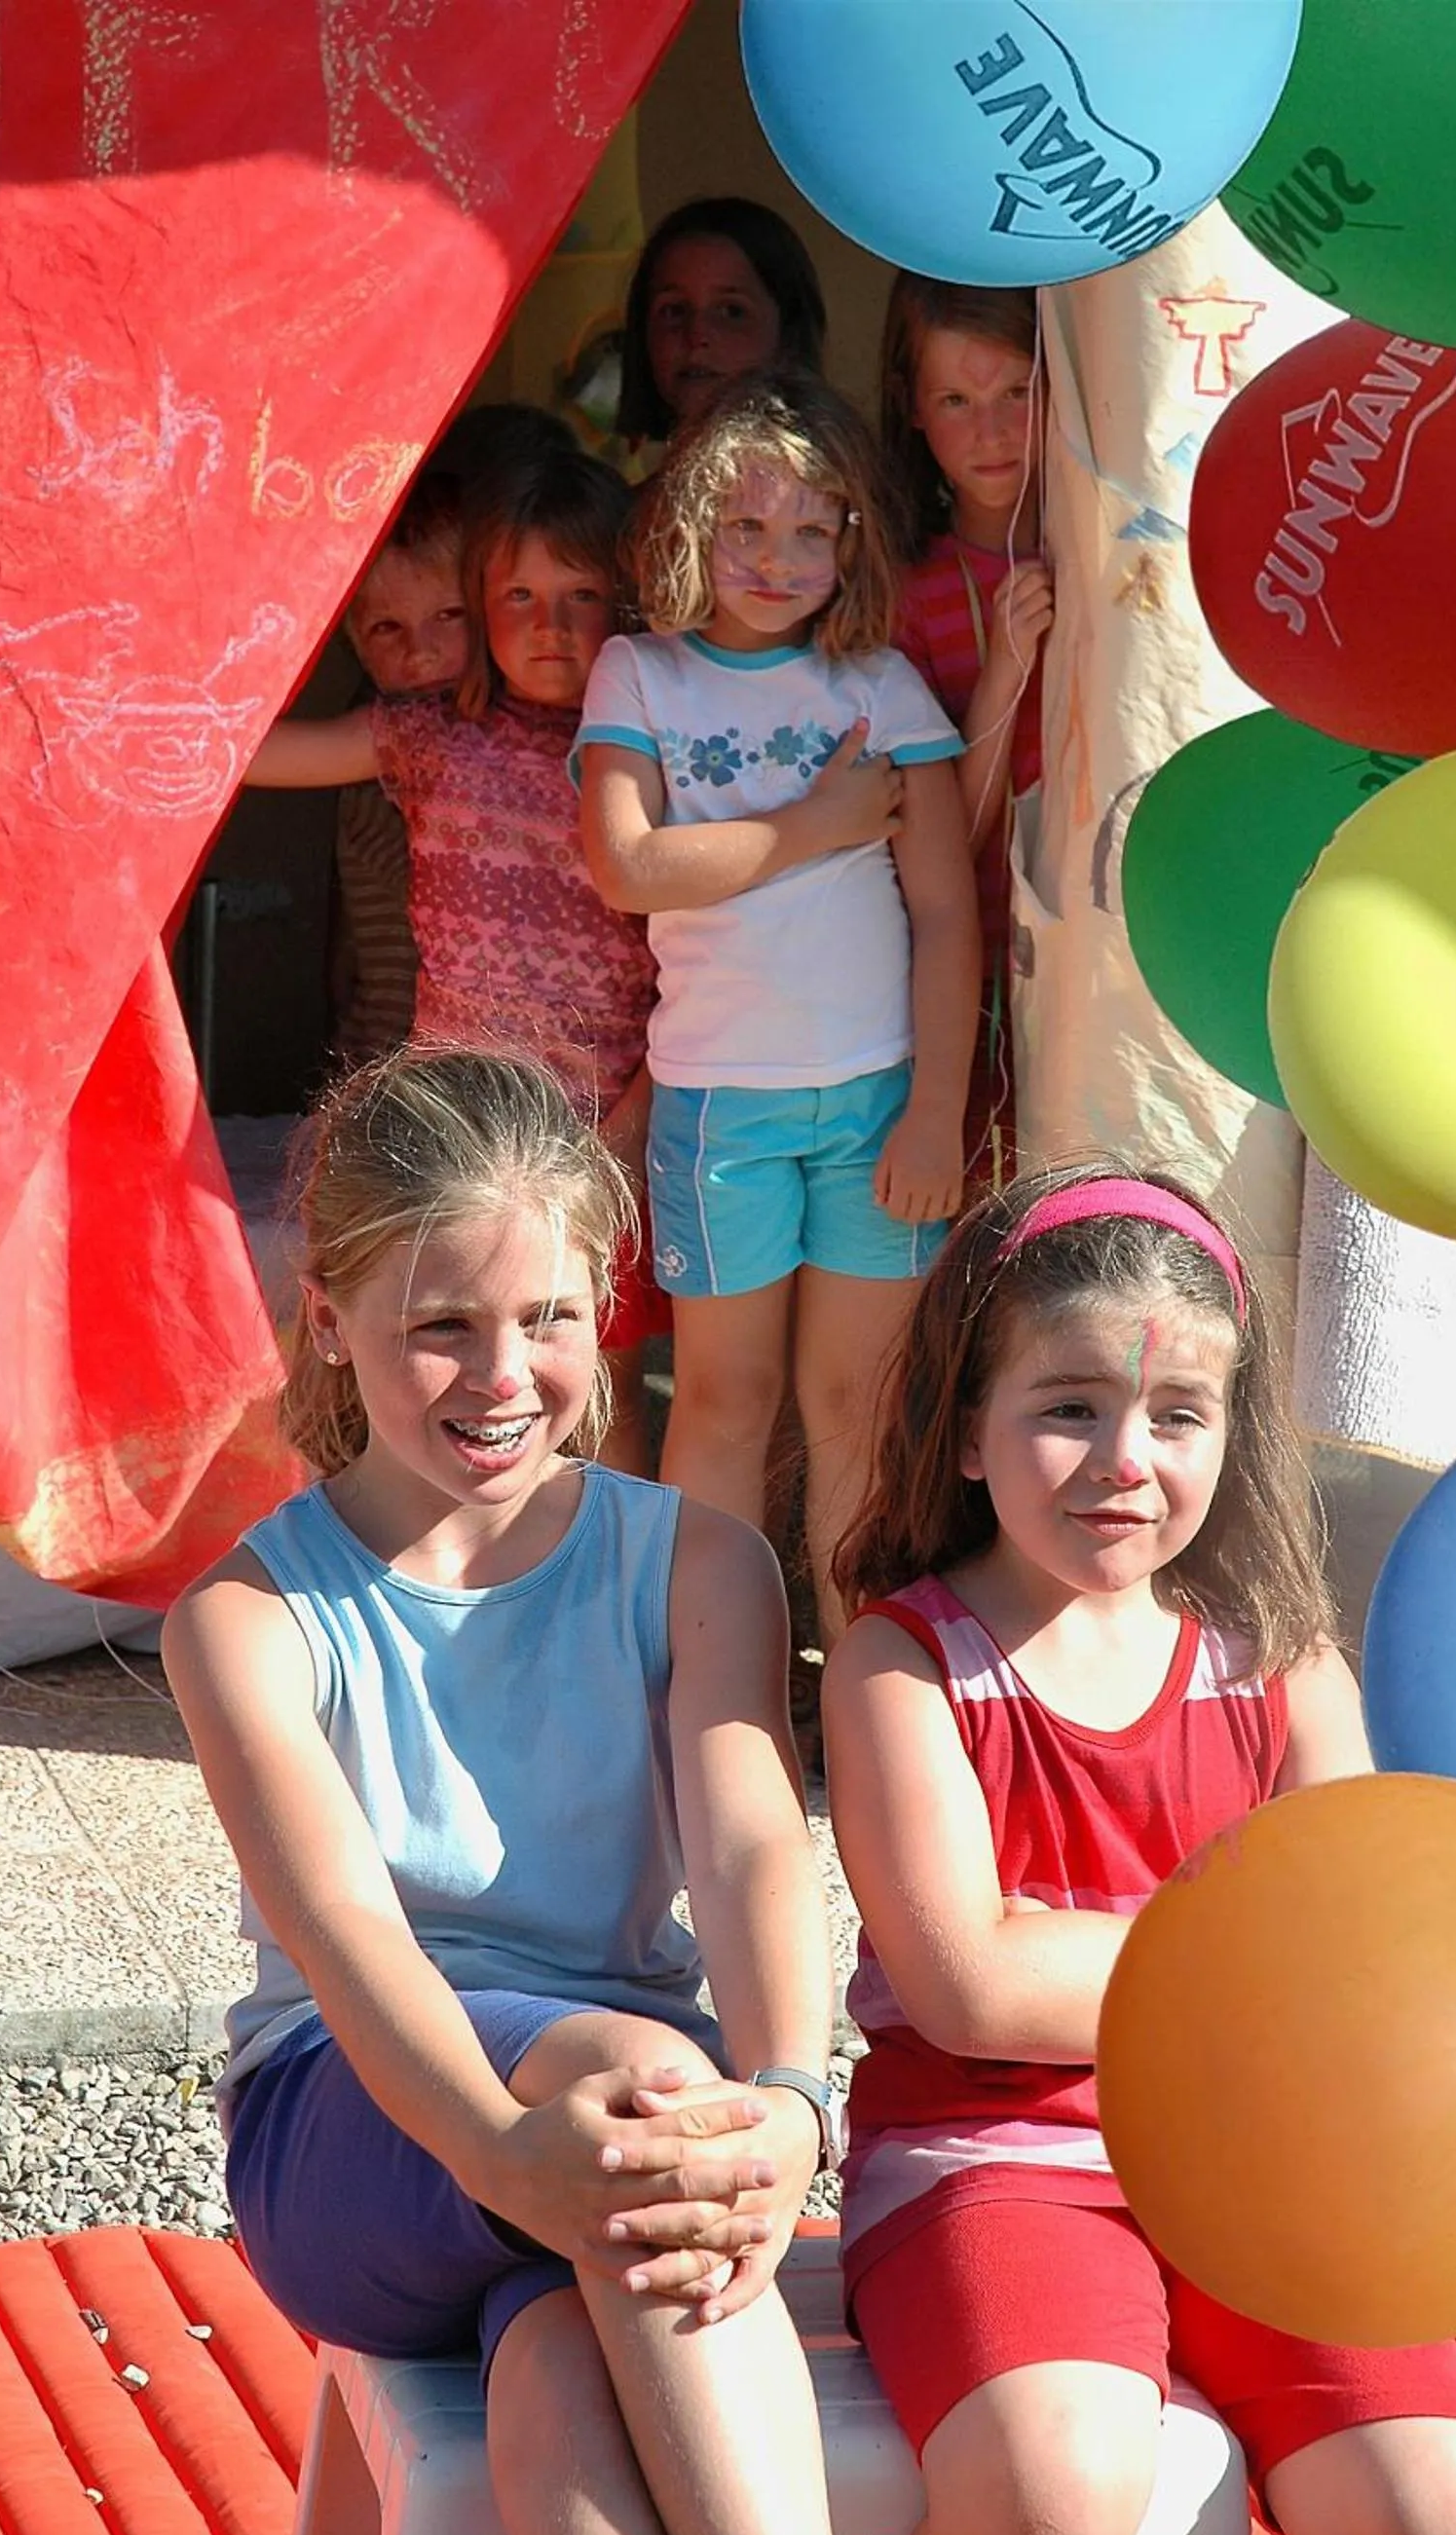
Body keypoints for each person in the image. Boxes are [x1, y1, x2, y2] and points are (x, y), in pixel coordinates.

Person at [164, 1045, 842, 2535]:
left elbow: (749, 1845)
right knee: (652, 2080)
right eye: (440, 1328)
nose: (502, 1377)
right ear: (330, 1324)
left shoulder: (698, 1563)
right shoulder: (254, 1618)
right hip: (357, 2126)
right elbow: (345, 1937)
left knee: (560, 2376)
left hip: (601, 2146)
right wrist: (496, 2153)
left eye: (547, 1318)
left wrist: (796, 2098)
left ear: (604, 1303)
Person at [822, 1162, 1456, 2535]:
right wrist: (1263, 1961)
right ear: (967, 1430)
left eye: (1176, 1414)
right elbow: (971, 1990)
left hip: (1265, 2174)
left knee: (1453, 2524)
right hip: (995, 2164)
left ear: (1232, 1435)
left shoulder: (1279, 1663)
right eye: (1069, 1405)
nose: (1124, 1457)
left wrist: (1146, 1960)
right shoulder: (908, 1664)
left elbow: (1366, 1962)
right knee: (1052, 2497)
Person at [578, 370, 981, 1643]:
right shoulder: (638, 674)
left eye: (813, 531)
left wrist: (936, 1112)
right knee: (722, 1402)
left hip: (877, 1111)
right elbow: (629, 868)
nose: (778, 558)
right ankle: (720, 1677)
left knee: (856, 1405)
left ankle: (863, 1683)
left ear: (854, 539)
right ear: (693, 526)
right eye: (747, 527)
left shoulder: (881, 688)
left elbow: (949, 916)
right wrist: (821, 823)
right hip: (719, 1108)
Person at [244, 448, 667, 1474]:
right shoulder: (432, 734)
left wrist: (631, 1121)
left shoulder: (654, 756)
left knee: (593, 1378)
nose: (551, 625)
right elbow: (251, 752)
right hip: (453, 1135)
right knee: (438, 1369)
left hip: (599, 1134)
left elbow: (695, 971)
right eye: (517, 594)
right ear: (481, 601)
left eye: (581, 594)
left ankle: (607, 1606)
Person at [329, 407, 579, 1065]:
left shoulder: (547, 736)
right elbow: (376, 962)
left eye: (451, 616)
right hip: (402, 1059)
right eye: (388, 631)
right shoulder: (386, 749)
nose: (423, 654)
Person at [880, 276, 1052, 1195]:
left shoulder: (1116, 555)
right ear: (912, 410)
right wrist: (1008, 668)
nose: (989, 430)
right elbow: (956, 837)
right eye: (955, 400)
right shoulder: (907, 598)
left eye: (1015, 392)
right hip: (965, 990)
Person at [617, 196, 827, 449]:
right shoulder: (619, 490)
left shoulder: (820, 487)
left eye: (731, 311)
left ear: (788, 332)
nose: (696, 335)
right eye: (674, 310)